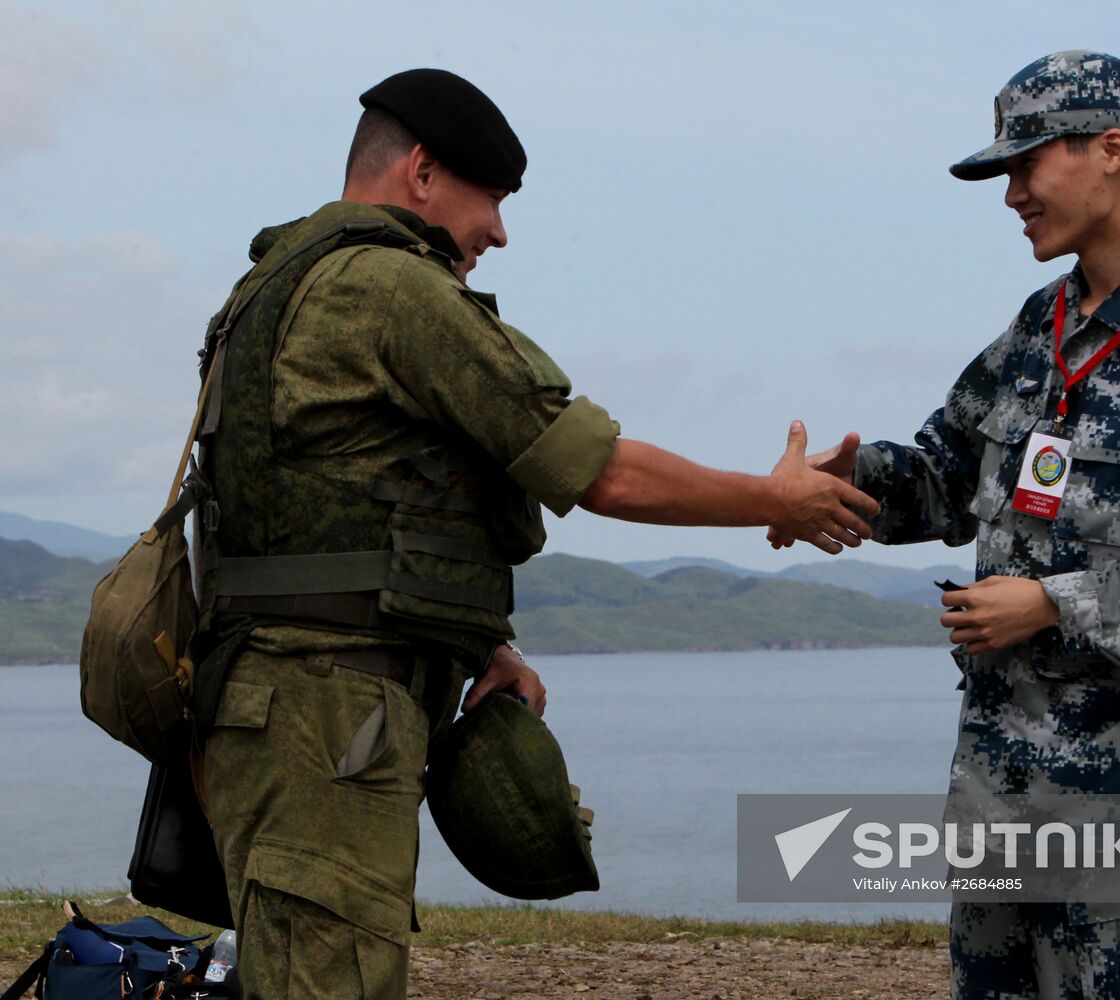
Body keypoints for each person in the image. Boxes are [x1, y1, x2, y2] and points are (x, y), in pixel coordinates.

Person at [192, 68, 879, 1000]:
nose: (500, 233)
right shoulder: (393, 287)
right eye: (494, 201)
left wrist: (481, 640)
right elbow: (601, 471)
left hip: (278, 707)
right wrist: (773, 498)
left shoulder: (274, 283)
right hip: (326, 719)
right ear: (424, 173)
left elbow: (329, 513)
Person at [776, 51, 1120, 997]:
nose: (1011, 193)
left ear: (1109, 151)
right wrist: (829, 485)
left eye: (1026, 164)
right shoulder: (1036, 329)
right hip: (996, 792)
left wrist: (1052, 606)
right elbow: (940, 477)